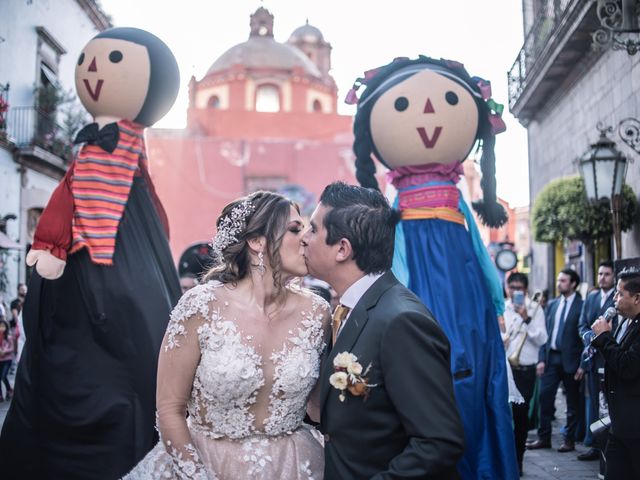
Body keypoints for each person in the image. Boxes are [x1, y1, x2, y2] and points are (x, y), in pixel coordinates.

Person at [0, 28, 182, 479]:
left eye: (113, 60)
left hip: (109, 289)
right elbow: (67, 199)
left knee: (132, 321)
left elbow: (99, 208)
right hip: (79, 277)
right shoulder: (90, 158)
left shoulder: (127, 166)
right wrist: (53, 246)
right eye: (90, 60)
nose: (95, 69)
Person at [348, 54, 517, 479]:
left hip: (464, 297)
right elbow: (398, 254)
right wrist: (399, 295)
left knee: (471, 372)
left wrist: (495, 297)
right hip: (425, 293)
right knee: (430, 372)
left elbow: (479, 251)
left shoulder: (454, 197)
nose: (427, 113)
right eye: (404, 106)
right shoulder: (398, 204)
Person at [125, 191, 330, 479]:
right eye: (295, 229)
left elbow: (321, 407)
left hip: (295, 465)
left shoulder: (318, 313)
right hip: (207, 464)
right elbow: (169, 409)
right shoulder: (200, 306)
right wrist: (195, 475)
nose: (306, 238)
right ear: (257, 241)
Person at [301, 181, 464, 479]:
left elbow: (438, 441)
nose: (304, 238)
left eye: (313, 229)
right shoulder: (350, 310)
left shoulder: (401, 321)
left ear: (342, 249)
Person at [590, 266, 640, 479]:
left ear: (637, 298)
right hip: (620, 421)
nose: (615, 299)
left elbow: (628, 366)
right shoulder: (625, 322)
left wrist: (604, 338)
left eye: (620, 294)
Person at [528, 268, 584, 452]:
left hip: (571, 361)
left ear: (573, 284)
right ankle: (544, 438)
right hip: (551, 359)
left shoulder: (581, 305)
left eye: (563, 280)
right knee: (544, 398)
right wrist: (541, 359)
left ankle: (569, 440)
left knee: (572, 404)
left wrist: (582, 364)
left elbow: (584, 336)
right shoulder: (551, 304)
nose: (559, 283)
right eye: (559, 280)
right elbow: (545, 334)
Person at [503, 272, 548, 476]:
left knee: (521, 418)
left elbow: (542, 339)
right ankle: (505, 459)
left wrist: (526, 319)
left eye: (519, 288)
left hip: (525, 371)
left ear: (526, 289)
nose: (515, 291)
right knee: (504, 417)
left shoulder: (534, 309)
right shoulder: (501, 307)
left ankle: (518, 459)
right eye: (512, 287)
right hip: (505, 368)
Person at [577, 260, 616, 461]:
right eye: (600, 274)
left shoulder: (617, 300)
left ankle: (609, 443)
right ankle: (594, 443)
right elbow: (582, 324)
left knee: (607, 403)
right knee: (593, 401)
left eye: (607, 274)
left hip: (609, 358)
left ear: (614, 277)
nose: (602, 277)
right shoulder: (591, 298)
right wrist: (588, 338)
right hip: (592, 358)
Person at [0, 319, 14, 401]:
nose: (1, 328)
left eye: (3, 326)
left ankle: (9, 390)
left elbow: (12, 348)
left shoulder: (9, 337)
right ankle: (1, 395)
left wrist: (4, 351)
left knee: (3, 376)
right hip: (0, 359)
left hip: (7, 359)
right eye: (0, 326)